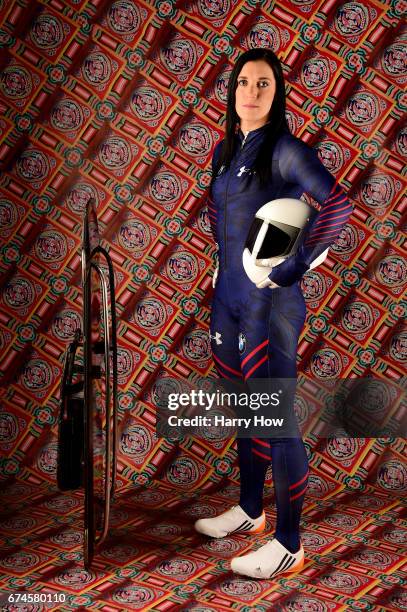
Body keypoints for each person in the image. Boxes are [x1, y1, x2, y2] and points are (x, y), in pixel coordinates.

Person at [194, 48, 353, 579]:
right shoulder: (226, 148)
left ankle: (289, 542)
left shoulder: (285, 149)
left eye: (264, 84)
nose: (251, 92)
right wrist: (222, 270)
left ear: (277, 93)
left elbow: (338, 204)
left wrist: (297, 265)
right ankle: (250, 511)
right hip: (230, 298)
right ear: (232, 90)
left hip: (271, 303)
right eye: (244, 82)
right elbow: (226, 218)